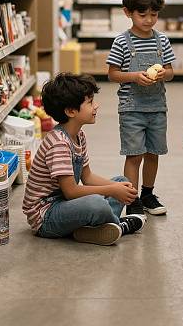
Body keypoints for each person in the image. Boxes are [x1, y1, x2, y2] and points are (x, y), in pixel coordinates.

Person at [22, 73, 145, 245]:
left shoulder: (78, 135)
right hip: (46, 216)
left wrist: (116, 187)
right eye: (90, 102)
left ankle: (93, 229)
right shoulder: (58, 143)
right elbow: (71, 191)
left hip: (65, 204)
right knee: (97, 203)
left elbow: (87, 178)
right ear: (71, 111)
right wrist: (111, 191)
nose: (96, 106)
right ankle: (119, 226)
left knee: (122, 181)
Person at [107, 0, 175, 217]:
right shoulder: (121, 42)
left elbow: (170, 72)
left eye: (154, 15)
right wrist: (135, 76)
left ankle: (148, 194)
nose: (148, 20)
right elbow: (112, 74)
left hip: (157, 107)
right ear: (128, 12)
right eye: (142, 15)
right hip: (131, 109)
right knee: (134, 155)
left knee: (153, 153)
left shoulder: (162, 41)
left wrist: (162, 74)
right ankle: (132, 198)